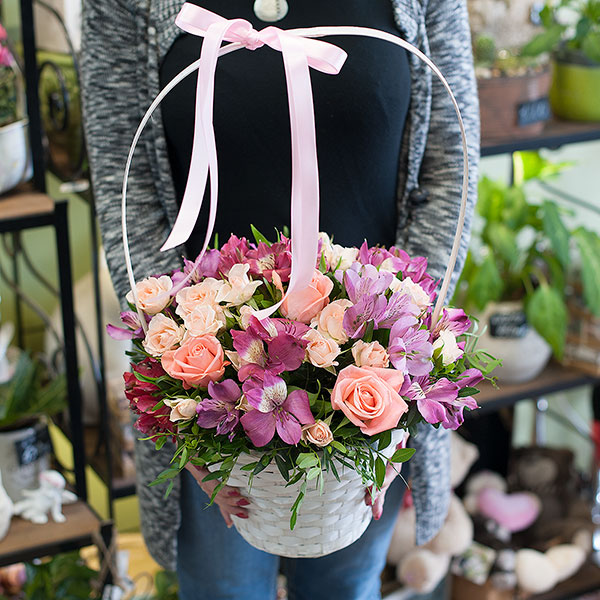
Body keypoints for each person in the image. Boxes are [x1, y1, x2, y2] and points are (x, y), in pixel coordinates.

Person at [81, 1, 480, 598]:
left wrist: (400, 364)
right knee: (223, 588)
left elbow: (451, 166)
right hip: (210, 388)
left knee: (346, 584)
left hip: (377, 377)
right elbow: (126, 182)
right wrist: (180, 382)